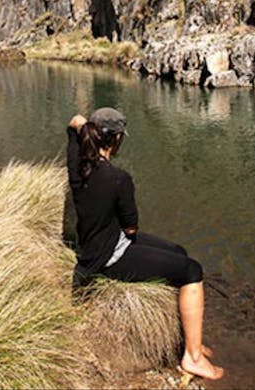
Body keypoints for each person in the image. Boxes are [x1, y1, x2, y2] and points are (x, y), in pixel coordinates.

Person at [66, 107, 224, 381]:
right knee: (192, 270)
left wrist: (82, 127)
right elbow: (131, 226)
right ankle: (193, 357)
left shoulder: (77, 164)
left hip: (96, 247)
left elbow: (74, 123)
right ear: (115, 140)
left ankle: (188, 338)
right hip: (108, 259)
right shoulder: (119, 179)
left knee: (178, 253)